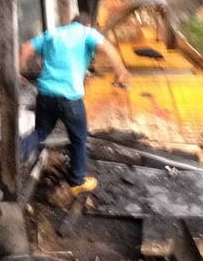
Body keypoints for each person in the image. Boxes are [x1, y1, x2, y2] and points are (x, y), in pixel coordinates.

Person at [19, 12, 130, 196]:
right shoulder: (87, 33)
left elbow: (25, 47)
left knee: (41, 131)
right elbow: (108, 48)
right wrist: (122, 72)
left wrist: (19, 70)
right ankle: (77, 181)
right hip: (69, 99)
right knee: (79, 138)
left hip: (45, 95)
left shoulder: (53, 33)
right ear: (88, 24)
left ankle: (15, 155)